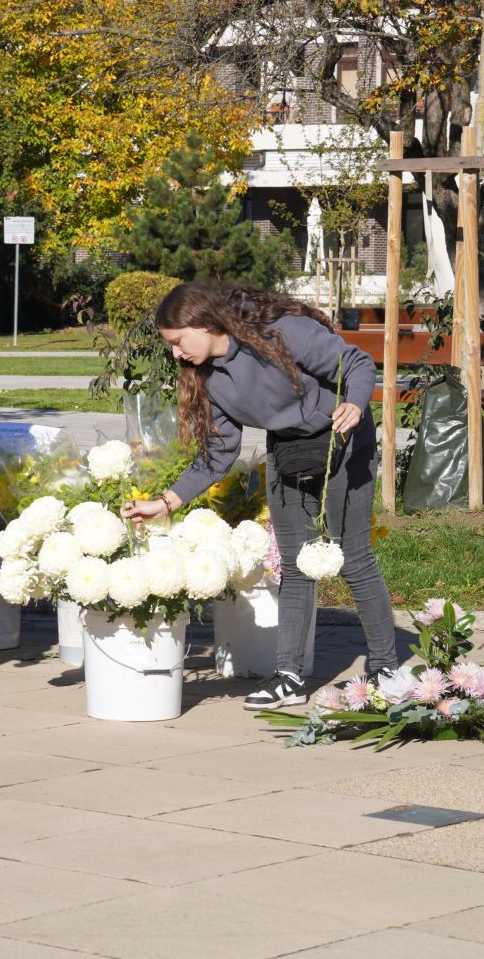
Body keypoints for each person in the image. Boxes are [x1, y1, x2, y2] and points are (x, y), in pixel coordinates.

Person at [120, 282, 398, 711]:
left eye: (177, 341)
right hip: (290, 450)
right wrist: (166, 502)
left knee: (353, 556)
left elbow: (357, 362)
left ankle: (386, 669)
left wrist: (356, 404)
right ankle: (289, 676)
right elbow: (218, 455)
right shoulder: (209, 378)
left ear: (203, 324)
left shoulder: (280, 333)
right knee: (295, 564)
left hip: (344, 438)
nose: (175, 353)